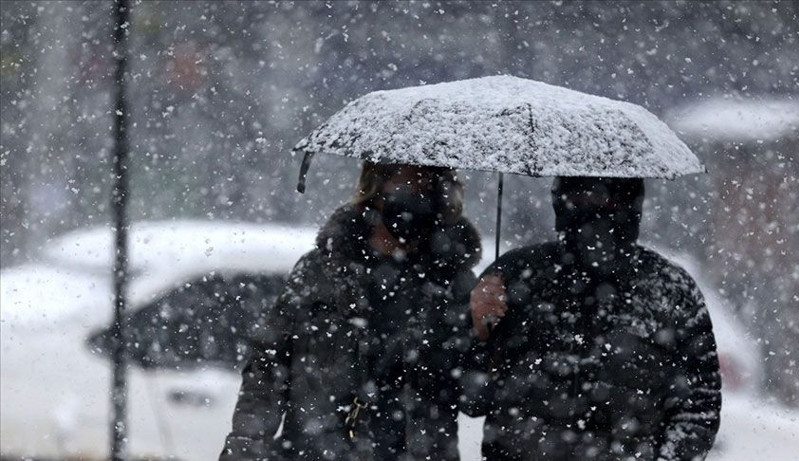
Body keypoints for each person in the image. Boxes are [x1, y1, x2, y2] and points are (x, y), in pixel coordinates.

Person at [221, 162, 481, 460]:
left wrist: (484, 331)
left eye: (429, 188)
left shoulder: (455, 285)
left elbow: (476, 398)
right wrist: (244, 448)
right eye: (409, 185)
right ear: (376, 188)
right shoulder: (322, 271)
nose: (418, 197)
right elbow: (268, 368)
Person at [461, 177, 721, 460]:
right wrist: (478, 331)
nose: (594, 209)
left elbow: (698, 409)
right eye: (580, 197)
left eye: (609, 197)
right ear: (560, 198)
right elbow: (472, 400)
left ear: (632, 202)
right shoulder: (514, 277)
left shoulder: (671, 291)